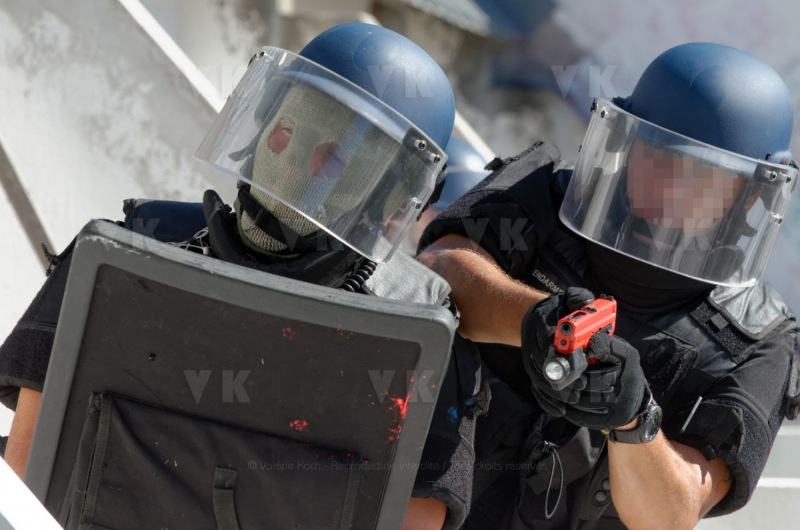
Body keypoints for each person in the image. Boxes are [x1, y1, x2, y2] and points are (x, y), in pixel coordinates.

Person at [0, 23, 483, 530]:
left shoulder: (421, 338)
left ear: (395, 195)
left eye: (339, 159)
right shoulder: (129, 252)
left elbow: (412, 520)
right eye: (289, 131)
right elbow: (29, 475)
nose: (302, 166)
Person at [418, 42, 800, 529]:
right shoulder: (542, 198)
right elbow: (435, 269)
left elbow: (673, 514)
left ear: (747, 195)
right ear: (627, 145)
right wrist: (537, 322)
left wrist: (632, 418)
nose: (670, 185)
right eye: (657, 155)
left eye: (702, 176)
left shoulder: (757, 339)